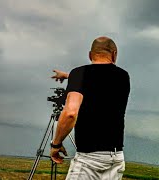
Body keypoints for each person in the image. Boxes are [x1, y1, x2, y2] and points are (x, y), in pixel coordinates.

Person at [50, 36, 130, 180]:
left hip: (89, 159)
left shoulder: (79, 74)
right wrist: (69, 76)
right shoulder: (123, 77)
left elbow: (70, 114)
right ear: (114, 54)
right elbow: (100, 80)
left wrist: (56, 144)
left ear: (89, 55)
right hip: (116, 159)